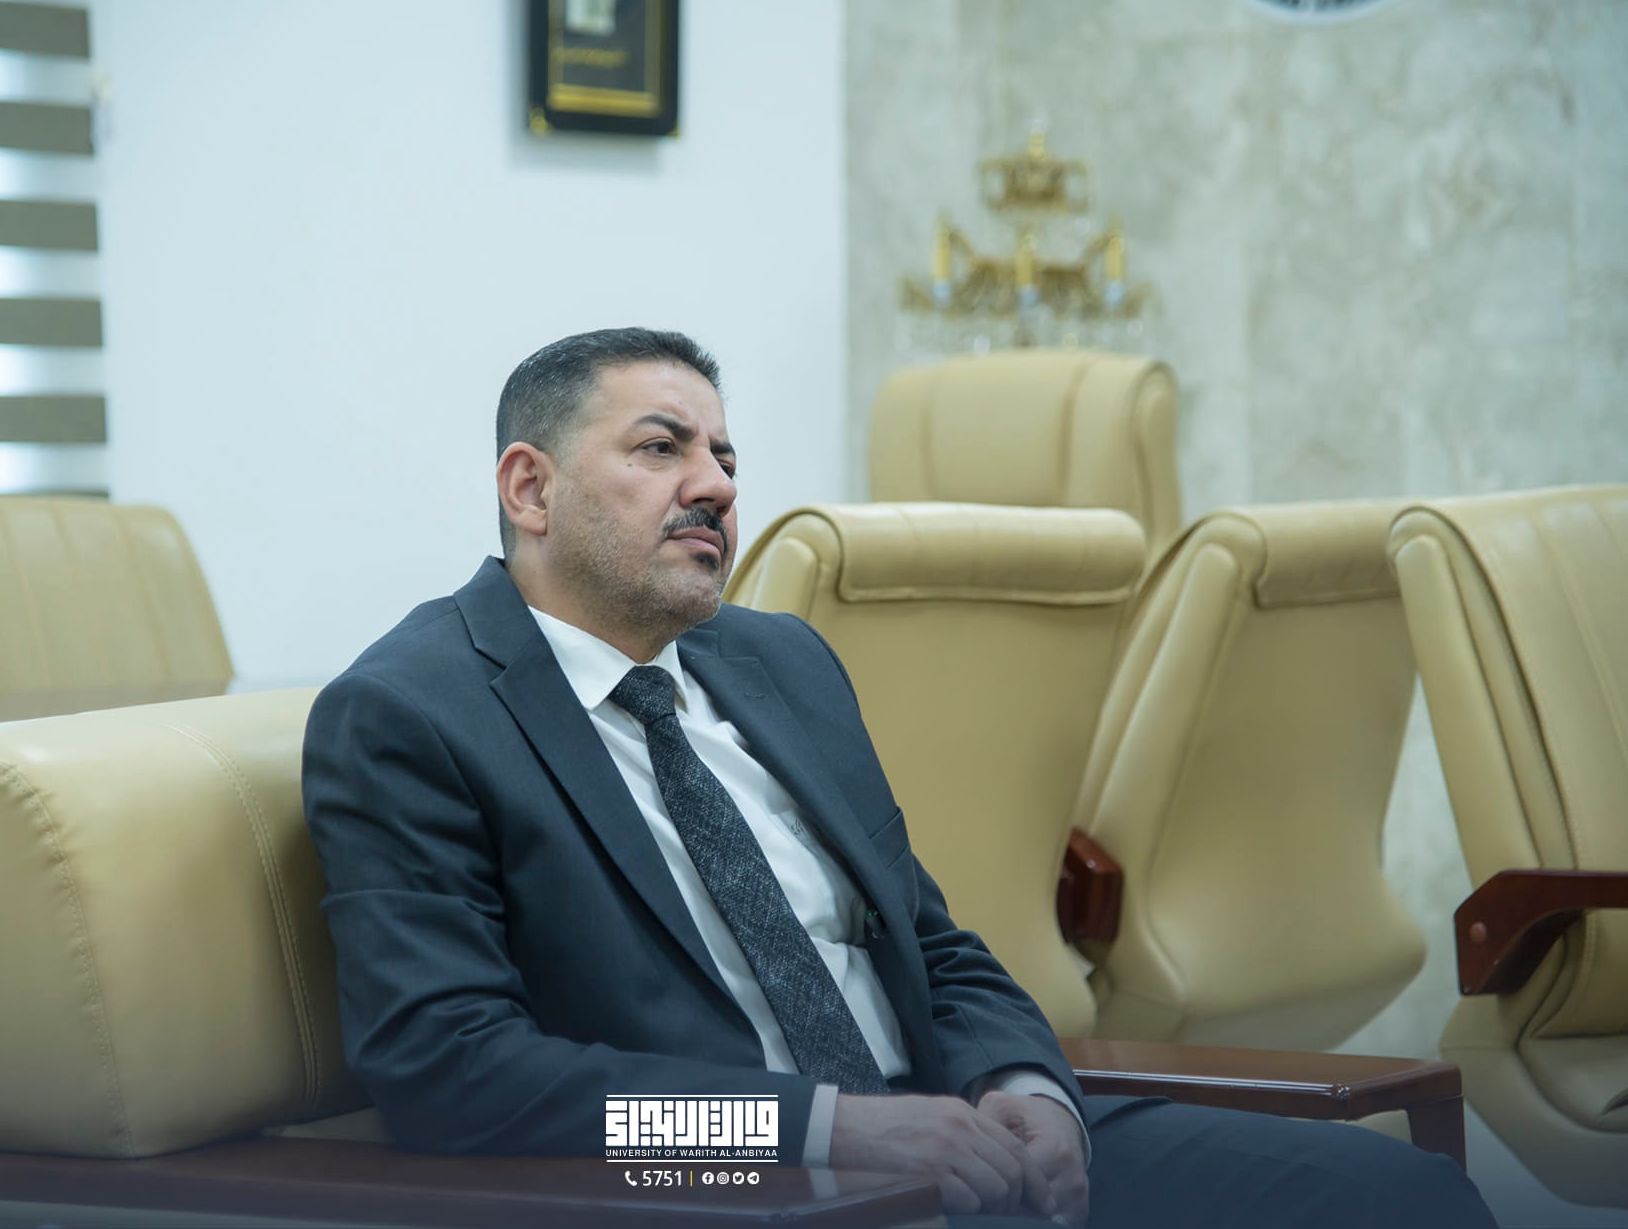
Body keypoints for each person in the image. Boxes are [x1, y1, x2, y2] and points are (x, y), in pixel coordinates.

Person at [302, 328, 1494, 1227]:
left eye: (724, 455)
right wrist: (819, 1132)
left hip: (960, 1135)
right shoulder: (412, 715)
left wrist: (1027, 1088)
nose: (715, 484)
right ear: (530, 487)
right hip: (729, 1183)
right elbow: (452, 1071)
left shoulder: (778, 662)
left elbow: (933, 945)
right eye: (662, 448)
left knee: (1401, 1196)